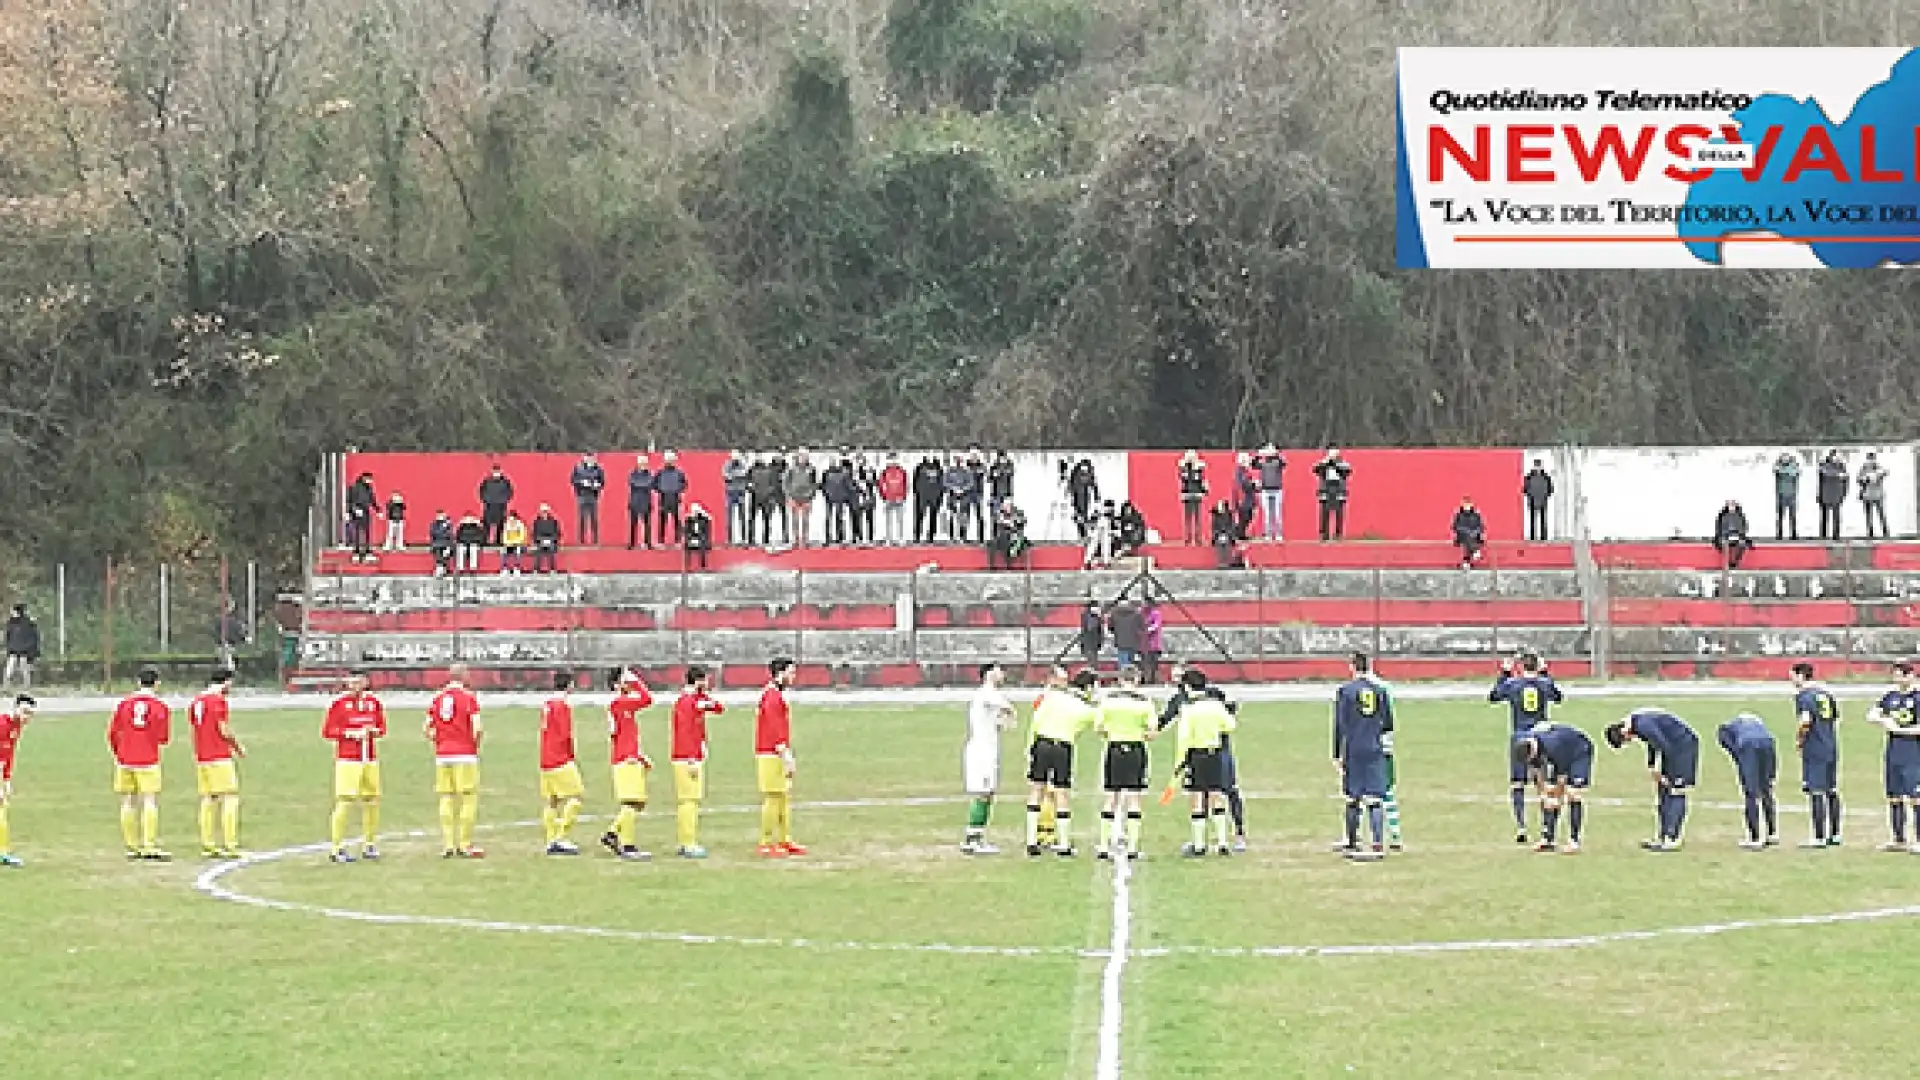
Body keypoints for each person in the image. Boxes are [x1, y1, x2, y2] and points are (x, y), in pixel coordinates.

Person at [1156, 665, 1247, 850]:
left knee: (1221, 791)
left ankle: (1231, 835)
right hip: (1210, 750)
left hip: (1212, 751)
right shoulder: (1185, 700)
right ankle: (1216, 841)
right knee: (1211, 794)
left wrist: (1179, 761)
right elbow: (1164, 720)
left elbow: (1184, 735)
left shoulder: (1203, 700)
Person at [1489, 652, 1563, 844]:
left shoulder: (1513, 684)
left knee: (1518, 783)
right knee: (1543, 783)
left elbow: (1494, 696)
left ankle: (1521, 825)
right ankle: (1546, 827)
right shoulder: (1544, 684)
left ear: (1521, 666)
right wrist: (1546, 673)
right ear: (1538, 666)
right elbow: (1558, 696)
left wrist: (1504, 673)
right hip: (1542, 736)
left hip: (1520, 736)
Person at [1024, 669, 1098, 856]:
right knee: (1061, 793)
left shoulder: (1053, 697)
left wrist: (1030, 745)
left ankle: (1031, 840)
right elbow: (1100, 722)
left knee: (1036, 790)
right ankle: (1064, 843)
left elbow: (1036, 720)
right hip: (1062, 746)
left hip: (1042, 742)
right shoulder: (1086, 709)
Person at [1604, 707, 1699, 852]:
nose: (1630, 741)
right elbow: (1652, 744)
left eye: (1626, 740)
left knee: (1676, 791)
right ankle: (1662, 836)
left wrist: (1665, 772)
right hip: (1671, 750)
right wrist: (1652, 766)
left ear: (1624, 732)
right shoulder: (1636, 724)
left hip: (1683, 747)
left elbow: (1663, 745)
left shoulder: (1643, 725)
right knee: (1663, 791)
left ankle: (1673, 838)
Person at [1331, 653, 1393, 862]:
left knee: (1352, 796)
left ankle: (1351, 840)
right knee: (1375, 797)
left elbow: (1340, 724)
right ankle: (1377, 842)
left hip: (1354, 748)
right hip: (1374, 747)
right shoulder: (1380, 691)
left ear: (1352, 667)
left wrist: (1336, 753)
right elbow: (1388, 723)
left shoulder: (1345, 692)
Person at [321, 671, 387, 863]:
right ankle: (337, 847)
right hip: (348, 759)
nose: (356, 684)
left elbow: (382, 728)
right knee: (345, 800)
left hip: (369, 758)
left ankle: (369, 843)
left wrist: (373, 732)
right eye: (352, 680)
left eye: (360, 680)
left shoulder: (373, 704)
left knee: (372, 799)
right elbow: (328, 731)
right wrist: (350, 734)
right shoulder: (339, 704)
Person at [109, 668, 172, 861]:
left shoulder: (123, 704)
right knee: (149, 800)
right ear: (156, 683)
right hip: (148, 759)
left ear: (138, 682)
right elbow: (163, 737)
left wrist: (119, 752)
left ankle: (131, 846)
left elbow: (112, 732)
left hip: (125, 759)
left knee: (128, 800)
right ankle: (149, 845)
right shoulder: (160, 707)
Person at [425, 665, 485, 859]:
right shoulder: (468, 698)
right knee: (468, 797)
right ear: (464, 676)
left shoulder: (438, 698)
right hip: (464, 753)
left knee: (446, 797)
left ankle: (448, 844)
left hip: (443, 754)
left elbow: (426, 728)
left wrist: (439, 741)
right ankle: (465, 844)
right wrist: (474, 746)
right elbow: (477, 728)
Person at [1095, 666, 1154, 861]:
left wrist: (1113, 734)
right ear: (1137, 680)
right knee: (1134, 797)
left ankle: (1103, 845)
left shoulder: (1108, 701)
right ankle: (1133, 847)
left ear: (1120, 680)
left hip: (1114, 747)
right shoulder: (1144, 702)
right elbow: (1152, 732)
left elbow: (1099, 727)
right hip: (1136, 748)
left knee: (1111, 796)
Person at [599, 669, 655, 862]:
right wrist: (636, 680)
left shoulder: (620, 705)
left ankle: (613, 834)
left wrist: (639, 755)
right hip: (626, 759)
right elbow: (647, 699)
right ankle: (626, 844)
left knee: (636, 803)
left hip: (628, 757)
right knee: (632, 803)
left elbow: (624, 735)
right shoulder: (620, 703)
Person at [1511, 721, 1592, 854]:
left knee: (1572, 793)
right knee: (1549, 794)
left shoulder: (1553, 745)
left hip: (1579, 751)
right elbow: (1537, 774)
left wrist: (1556, 799)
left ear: (1533, 750)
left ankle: (1574, 841)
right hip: (1558, 755)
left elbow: (1562, 778)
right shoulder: (1525, 744)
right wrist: (1543, 794)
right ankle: (1548, 839)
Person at [670, 665, 726, 858]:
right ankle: (688, 843)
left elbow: (719, 708)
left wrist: (704, 699)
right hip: (687, 757)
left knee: (690, 800)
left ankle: (686, 840)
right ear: (698, 680)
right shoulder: (686, 702)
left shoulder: (696, 700)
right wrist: (692, 758)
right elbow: (685, 732)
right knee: (689, 801)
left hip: (691, 756)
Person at [189, 668, 244, 859]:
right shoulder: (218, 701)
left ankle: (208, 844)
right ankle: (231, 845)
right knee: (230, 797)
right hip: (219, 755)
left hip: (203, 756)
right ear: (226, 681)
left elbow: (194, 729)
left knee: (208, 799)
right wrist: (237, 747)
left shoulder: (197, 701)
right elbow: (224, 730)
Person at [1866, 660, 1920, 852]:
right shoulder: (1891, 696)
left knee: (1916, 797)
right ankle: (1898, 839)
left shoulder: (1918, 697)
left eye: (1900, 675)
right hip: (1893, 752)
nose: (1896, 679)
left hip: (1913, 753)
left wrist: (1899, 729)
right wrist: (1883, 720)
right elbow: (1871, 714)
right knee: (1894, 796)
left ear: (1910, 675)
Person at [962, 663, 1016, 854]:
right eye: (999, 670)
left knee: (989, 794)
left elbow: (1002, 721)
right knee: (982, 793)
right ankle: (972, 839)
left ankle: (978, 836)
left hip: (990, 750)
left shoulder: (991, 695)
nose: (1002, 674)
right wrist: (1009, 712)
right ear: (989, 673)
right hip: (981, 752)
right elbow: (1006, 707)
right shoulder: (985, 693)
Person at [755, 658, 806, 858]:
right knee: (773, 796)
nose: (793, 677)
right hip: (771, 753)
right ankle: (766, 842)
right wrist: (784, 752)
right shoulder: (772, 697)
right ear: (780, 673)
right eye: (791, 673)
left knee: (783, 796)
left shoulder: (775, 695)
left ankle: (784, 838)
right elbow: (775, 727)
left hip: (775, 751)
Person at [1790, 661, 1842, 847]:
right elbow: (1834, 718)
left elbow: (1806, 721)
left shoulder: (1804, 697)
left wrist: (1800, 740)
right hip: (1830, 745)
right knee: (1832, 790)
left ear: (1800, 676)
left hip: (1815, 748)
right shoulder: (1826, 694)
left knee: (1816, 791)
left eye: (1793, 676)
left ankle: (1819, 837)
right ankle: (1835, 834)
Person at [538, 673, 585, 856]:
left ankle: (551, 839)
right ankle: (561, 837)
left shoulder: (547, 704)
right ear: (570, 685)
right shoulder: (563, 706)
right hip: (559, 758)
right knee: (576, 796)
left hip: (545, 758)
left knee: (552, 801)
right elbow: (565, 734)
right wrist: (570, 755)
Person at [1717, 713, 1780, 850]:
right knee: (1766, 789)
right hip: (1768, 743)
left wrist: (1739, 759)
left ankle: (1755, 838)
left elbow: (1731, 748)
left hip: (1748, 745)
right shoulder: (1757, 724)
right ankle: (1772, 833)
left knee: (1750, 793)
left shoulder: (1725, 730)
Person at [0, 693, 34, 867]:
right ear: (15, 709)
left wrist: (7, 780)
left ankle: (3, 853)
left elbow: (8, 755)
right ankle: (3, 854)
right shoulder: (2, 725)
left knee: (2, 813)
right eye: (25, 712)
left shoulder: (16, 726)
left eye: (30, 714)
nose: (27, 717)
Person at [1314, 448, 1353, 540]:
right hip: (1326, 488)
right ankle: (1324, 534)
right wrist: (1327, 462)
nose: (1332, 455)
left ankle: (1338, 534)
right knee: (1324, 512)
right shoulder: (1324, 462)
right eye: (1331, 453)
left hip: (1338, 488)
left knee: (1339, 512)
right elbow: (1315, 470)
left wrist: (1335, 464)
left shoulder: (1343, 463)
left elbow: (1348, 471)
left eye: (1334, 453)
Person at [785, 448, 819, 548]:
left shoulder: (812, 469)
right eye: (801, 456)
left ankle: (805, 539)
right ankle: (795, 540)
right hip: (794, 497)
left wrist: (811, 495)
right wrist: (789, 495)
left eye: (805, 456)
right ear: (797, 457)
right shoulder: (791, 469)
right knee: (795, 520)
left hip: (807, 498)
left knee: (805, 520)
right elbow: (786, 483)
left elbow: (815, 483)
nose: (803, 458)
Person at [571, 452, 605, 546]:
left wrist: (597, 485)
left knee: (594, 518)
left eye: (592, 458)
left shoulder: (598, 469)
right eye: (588, 458)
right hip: (582, 495)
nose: (590, 459)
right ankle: (581, 539)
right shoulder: (578, 468)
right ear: (584, 458)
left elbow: (602, 482)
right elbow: (573, 480)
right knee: (582, 518)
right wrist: (582, 482)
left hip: (593, 495)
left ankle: (595, 539)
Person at [655, 450, 688, 547]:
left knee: (677, 520)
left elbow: (684, 484)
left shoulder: (679, 473)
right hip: (664, 498)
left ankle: (678, 541)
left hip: (675, 498)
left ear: (675, 460)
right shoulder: (660, 472)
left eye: (672, 459)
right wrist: (661, 489)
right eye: (668, 459)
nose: (670, 461)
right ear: (665, 460)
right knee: (662, 520)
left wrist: (677, 489)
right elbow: (654, 484)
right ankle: (661, 542)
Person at [1254, 444, 1285, 541]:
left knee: (1277, 513)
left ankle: (1279, 534)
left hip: (1277, 490)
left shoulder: (1278, 461)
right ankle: (1268, 534)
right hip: (1265, 490)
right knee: (1267, 514)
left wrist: (1275, 452)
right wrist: (1259, 454)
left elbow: (1283, 463)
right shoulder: (1262, 462)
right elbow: (1254, 464)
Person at [4, 605, 39, 690]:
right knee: (11, 667)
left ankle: (26, 685)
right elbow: (8, 636)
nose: (12, 613)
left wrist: (31, 649)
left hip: (23, 649)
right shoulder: (11, 622)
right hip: (15, 649)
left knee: (24, 668)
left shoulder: (27, 623)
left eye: (14, 611)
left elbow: (33, 636)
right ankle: (8, 685)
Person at [821, 452, 853, 546]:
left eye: (834, 461)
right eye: (831, 461)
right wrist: (826, 493)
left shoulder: (842, 473)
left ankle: (840, 537)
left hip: (840, 498)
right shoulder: (826, 472)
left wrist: (845, 496)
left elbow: (847, 485)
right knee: (828, 518)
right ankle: (827, 538)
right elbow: (822, 485)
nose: (833, 463)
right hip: (829, 498)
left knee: (839, 518)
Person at [478, 462, 513, 547]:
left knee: (500, 524)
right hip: (489, 506)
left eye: (498, 471)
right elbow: (481, 492)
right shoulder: (487, 481)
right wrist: (487, 500)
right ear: (492, 471)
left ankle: (499, 541)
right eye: (494, 471)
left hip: (500, 506)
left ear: (501, 472)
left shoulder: (505, 482)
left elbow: (509, 493)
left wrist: (502, 500)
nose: (496, 473)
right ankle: (485, 541)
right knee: (486, 524)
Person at [912, 453, 945, 544]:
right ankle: (917, 536)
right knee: (919, 517)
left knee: (933, 517)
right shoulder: (919, 467)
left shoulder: (939, 467)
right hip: (922, 495)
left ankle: (931, 537)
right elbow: (915, 481)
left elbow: (942, 482)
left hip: (934, 496)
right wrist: (917, 493)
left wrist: (940, 495)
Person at [346, 472, 378, 562]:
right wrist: (352, 510)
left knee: (367, 532)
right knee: (357, 532)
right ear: (363, 478)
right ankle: (356, 552)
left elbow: (372, 499)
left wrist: (377, 510)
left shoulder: (369, 488)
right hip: (357, 511)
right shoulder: (354, 487)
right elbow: (349, 500)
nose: (370, 481)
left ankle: (367, 552)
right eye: (368, 479)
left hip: (366, 511)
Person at [988, 500, 1029, 570]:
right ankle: (992, 565)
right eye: (1004, 506)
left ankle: (1010, 563)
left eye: (1007, 505)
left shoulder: (1017, 513)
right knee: (995, 542)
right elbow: (999, 525)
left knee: (1015, 541)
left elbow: (1022, 523)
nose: (1005, 507)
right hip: (1004, 538)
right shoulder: (1001, 514)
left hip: (1014, 536)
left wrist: (1013, 524)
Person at [879, 453, 910, 545]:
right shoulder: (885, 472)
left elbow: (906, 485)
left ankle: (900, 538)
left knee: (900, 520)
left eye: (895, 459)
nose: (893, 461)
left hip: (899, 498)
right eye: (891, 459)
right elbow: (881, 485)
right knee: (888, 520)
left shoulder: (902, 471)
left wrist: (903, 496)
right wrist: (884, 497)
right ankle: (889, 539)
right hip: (889, 498)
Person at [943, 453, 974, 543]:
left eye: (960, 460)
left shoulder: (967, 471)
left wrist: (962, 489)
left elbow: (970, 483)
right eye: (956, 460)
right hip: (952, 496)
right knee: (952, 517)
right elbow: (945, 482)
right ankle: (952, 537)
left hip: (964, 497)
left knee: (963, 518)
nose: (958, 462)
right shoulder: (949, 471)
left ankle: (963, 537)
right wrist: (954, 488)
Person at [1816, 450, 1847, 541]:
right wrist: (1819, 494)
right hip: (1825, 494)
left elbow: (1845, 480)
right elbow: (1823, 476)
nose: (1836, 458)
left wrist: (1844, 493)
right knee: (1824, 517)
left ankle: (1836, 535)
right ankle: (1823, 535)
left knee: (1836, 517)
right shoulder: (1824, 466)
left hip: (1837, 494)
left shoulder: (1842, 466)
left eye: (1837, 456)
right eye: (1834, 456)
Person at [1178, 450, 1208, 544]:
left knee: (1196, 517)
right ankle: (1188, 538)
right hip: (1188, 494)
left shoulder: (1198, 469)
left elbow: (1202, 480)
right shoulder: (1184, 468)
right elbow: (1183, 480)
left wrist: (1204, 490)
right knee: (1189, 517)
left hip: (1195, 493)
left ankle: (1197, 537)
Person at [627, 454, 656, 549]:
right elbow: (632, 483)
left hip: (646, 500)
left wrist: (640, 485)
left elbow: (650, 484)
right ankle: (631, 543)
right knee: (633, 524)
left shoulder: (649, 474)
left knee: (647, 524)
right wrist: (643, 485)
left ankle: (648, 543)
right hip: (635, 501)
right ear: (638, 463)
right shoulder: (633, 473)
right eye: (641, 462)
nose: (643, 464)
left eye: (645, 462)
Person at [1712, 499, 1752, 569]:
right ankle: (1728, 562)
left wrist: (1740, 535)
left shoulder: (1740, 516)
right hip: (1724, 536)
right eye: (1730, 505)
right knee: (1725, 544)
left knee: (1741, 545)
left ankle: (1734, 561)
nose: (1732, 507)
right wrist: (1725, 535)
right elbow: (1719, 528)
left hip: (1737, 536)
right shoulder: (1722, 516)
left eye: (1733, 505)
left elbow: (1744, 528)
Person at [1067, 457, 1100, 541]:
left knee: (1082, 516)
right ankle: (1083, 535)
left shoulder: (1087, 475)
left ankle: (1084, 535)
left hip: (1084, 497)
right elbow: (1072, 487)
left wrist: (1096, 499)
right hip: (1079, 497)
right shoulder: (1076, 474)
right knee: (1080, 515)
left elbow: (1094, 486)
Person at [1859, 451, 1890, 539]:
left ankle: (1885, 530)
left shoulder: (1879, 467)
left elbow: (1885, 473)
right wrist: (1865, 480)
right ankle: (1870, 531)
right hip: (1867, 494)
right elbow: (1859, 479)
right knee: (1869, 514)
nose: (1871, 460)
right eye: (1869, 458)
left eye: (1872, 458)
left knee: (1881, 513)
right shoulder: (1863, 468)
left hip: (1878, 494)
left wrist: (1877, 476)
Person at [722, 450, 750, 546]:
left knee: (742, 517)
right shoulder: (727, 464)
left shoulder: (743, 464)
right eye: (734, 456)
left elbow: (745, 474)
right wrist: (738, 475)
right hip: (730, 493)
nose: (735, 457)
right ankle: (729, 539)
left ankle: (743, 539)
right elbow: (726, 476)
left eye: (737, 456)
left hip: (741, 493)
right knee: (729, 518)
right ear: (731, 456)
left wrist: (733, 475)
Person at [1451, 496, 1486, 569]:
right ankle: (1475, 551)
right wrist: (1467, 531)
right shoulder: (1458, 515)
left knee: (1470, 539)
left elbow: (1481, 526)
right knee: (1467, 537)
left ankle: (1467, 561)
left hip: (1474, 536)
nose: (1467, 506)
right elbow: (1455, 526)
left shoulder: (1476, 515)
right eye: (1465, 505)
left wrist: (1475, 532)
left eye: (1469, 504)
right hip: (1462, 535)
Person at [1523, 458, 1553, 542]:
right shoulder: (1528, 477)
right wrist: (1530, 495)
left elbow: (1550, 489)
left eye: (1538, 465)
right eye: (1536, 465)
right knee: (1533, 520)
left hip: (1542, 501)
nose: (1537, 467)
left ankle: (1543, 537)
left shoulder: (1546, 477)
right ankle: (1533, 537)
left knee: (1543, 521)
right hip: (1533, 500)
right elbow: (1525, 489)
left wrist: (1545, 495)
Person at [1773, 452, 1801, 540]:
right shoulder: (1778, 465)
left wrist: (1785, 471)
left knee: (1793, 516)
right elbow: (1776, 471)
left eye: (1787, 458)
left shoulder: (1794, 466)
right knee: (1780, 516)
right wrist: (1787, 471)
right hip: (1781, 494)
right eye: (1783, 458)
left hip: (1792, 494)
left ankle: (1793, 534)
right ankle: (1779, 534)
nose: (1785, 459)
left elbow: (1796, 472)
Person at [1210, 500, 1245, 569]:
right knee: (1220, 545)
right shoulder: (1215, 516)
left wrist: (1227, 533)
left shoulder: (1229, 515)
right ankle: (1221, 562)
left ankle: (1227, 562)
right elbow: (1214, 527)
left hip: (1228, 534)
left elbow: (1232, 526)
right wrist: (1218, 534)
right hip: (1219, 535)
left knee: (1227, 544)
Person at [1110, 600, 1143, 672]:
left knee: (1122, 663)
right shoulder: (1137, 614)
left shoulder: (1114, 614)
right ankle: (1130, 678)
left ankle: (1123, 678)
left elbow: (1111, 628)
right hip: (1133, 642)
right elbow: (1141, 627)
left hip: (1120, 642)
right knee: (1131, 663)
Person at [1232, 452, 1258, 541]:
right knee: (1244, 517)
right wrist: (1253, 484)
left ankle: (1241, 533)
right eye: (1247, 459)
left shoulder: (1245, 470)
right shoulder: (1240, 470)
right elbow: (1242, 483)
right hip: (1243, 498)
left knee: (1248, 516)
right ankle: (1239, 534)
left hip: (1248, 497)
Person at [1083, 500, 1115, 568]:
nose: (1109, 509)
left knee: (1106, 544)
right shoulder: (1098, 508)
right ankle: (1088, 560)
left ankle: (1106, 562)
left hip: (1105, 527)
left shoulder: (1110, 513)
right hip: (1097, 526)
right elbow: (1092, 518)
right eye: (1109, 508)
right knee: (1094, 543)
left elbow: (1111, 521)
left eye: (1110, 508)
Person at [531, 505, 562, 573]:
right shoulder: (536, 522)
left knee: (551, 551)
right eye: (543, 512)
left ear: (548, 512)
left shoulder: (553, 521)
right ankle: (536, 569)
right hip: (540, 541)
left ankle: (552, 569)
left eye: (545, 512)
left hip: (551, 540)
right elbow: (534, 533)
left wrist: (553, 539)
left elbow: (557, 532)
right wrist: (537, 540)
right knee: (538, 551)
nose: (544, 513)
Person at [683, 503, 714, 570]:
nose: (695, 512)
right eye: (693, 511)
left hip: (701, 538)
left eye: (696, 511)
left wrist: (703, 512)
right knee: (687, 544)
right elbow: (686, 531)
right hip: (692, 537)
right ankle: (688, 565)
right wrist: (691, 537)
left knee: (703, 545)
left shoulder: (704, 519)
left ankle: (703, 566)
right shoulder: (689, 519)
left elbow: (710, 520)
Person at [1141, 599, 1165, 684]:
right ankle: (1146, 679)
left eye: (1145, 603)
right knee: (1145, 662)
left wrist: (1147, 630)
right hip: (1144, 644)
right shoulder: (1142, 613)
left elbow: (1156, 625)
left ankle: (1153, 679)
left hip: (1154, 643)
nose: (1143, 605)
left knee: (1153, 663)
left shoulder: (1156, 613)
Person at [988, 451, 1015, 520]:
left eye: (1003, 457)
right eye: (1000, 458)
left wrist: (1000, 472)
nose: (1001, 459)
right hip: (995, 493)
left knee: (1007, 515)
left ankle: (1005, 528)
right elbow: (989, 479)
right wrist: (994, 475)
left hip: (1007, 493)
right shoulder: (994, 466)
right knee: (995, 515)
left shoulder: (1009, 465)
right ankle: (994, 528)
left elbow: (1010, 473)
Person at [500, 509, 528, 574]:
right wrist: (508, 542)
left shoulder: (520, 525)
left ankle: (517, 567)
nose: (511, 521)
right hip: (509, 543)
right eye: (510, 519)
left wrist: (516, 542)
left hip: (518, 543)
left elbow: (522, 536)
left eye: (513, 519)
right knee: (504, 551)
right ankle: (505, 567)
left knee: (517, 551)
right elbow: (505, 536)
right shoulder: (506, 525)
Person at [1078, 601, 1105, 667]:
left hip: (1091, 640)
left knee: (1092, 656)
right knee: (1092, 657)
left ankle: (1092, 666)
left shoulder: (1088, 615)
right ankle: (1093, 666)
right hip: (1091, 640)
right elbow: (1093, 628)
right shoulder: (1091, 617)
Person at [429, 510, 456, 577]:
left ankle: (441, 568)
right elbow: (434, 533)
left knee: (445, 549)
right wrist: (443, 529)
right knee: (438, 549)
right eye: (439, 516)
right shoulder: (433, 524)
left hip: (447, 544)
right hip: (437, 543)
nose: (440, 517)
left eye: (442, 516)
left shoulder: (449, 525)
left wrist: (449, 546)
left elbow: (450, 535)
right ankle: (441, 568)